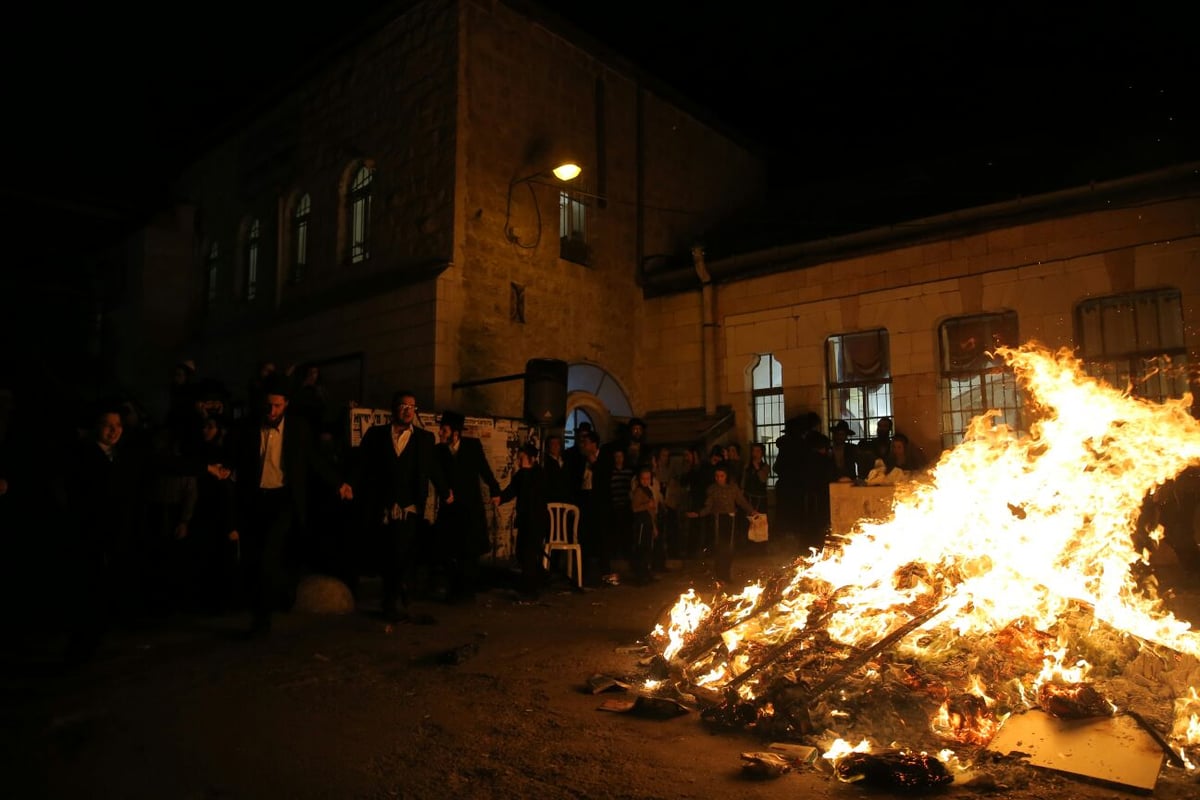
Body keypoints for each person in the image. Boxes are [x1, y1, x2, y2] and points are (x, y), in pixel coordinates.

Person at [230, 374, 344, 636]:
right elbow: (238, 459)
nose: (272, 411)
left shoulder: (298, 428)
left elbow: (313, 459)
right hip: (256, 499)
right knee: (256, 558)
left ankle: (263, 619)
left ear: (286, 405)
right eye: (269, 406)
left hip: (283, 499)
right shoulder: (249, 428)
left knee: (269, 556)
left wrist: (337, 483)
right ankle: (265, 607)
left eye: (277, 406)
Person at [341, 390, 446, 621]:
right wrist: (350, 483)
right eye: (403, 406)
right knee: (386, 553)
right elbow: (362, 464)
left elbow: (432, 468)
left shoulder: (423, 438)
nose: (408, 410)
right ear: (394, 409)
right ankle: (397, 591)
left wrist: (445, 490)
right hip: (381, 507)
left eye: (412, 407)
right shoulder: (376, 435)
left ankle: (391, 601)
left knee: (401, 552)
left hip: (408, 509)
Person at [434, 410, 502, 603]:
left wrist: (495, 491)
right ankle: (453, 589)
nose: (440, 433)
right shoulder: (439, 451)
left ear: (455, 433)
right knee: (448, 550)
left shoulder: (472, 447)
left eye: (444, 430)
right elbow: (435, 474)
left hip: (470, 508)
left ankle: (466, 591)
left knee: (469, 552)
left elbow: (484, 470)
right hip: (450, 508)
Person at [686, 464, 760, 583]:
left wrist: (751, 511)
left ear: (726, 476)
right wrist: (699, 513)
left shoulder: (733, 488)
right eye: (717, 476)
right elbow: (708, 506)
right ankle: (720, 575)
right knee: (720, 547)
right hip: (718, 520)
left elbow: (741, 501)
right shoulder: (712, 489)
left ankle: (726, 574)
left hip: (730, 520)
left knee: (729, 548)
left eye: (721, 476)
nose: (719, 478)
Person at [497, 442, 548, 599]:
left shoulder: (538, 475)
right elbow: (512, 490)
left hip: (536, 521)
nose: (519, 462)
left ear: (531, 459)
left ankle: (530, 589)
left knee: (529, 554)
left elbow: (536, 497)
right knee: (522, 553)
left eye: (522, 459)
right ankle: (538, 580)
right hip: (525, 520)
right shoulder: (521, 475)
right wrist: (499, 498)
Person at [629, 464, 659, 585]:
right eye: (643, 479)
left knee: (647, 549)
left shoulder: (649, 491)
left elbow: (652, 511)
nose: (645, 481)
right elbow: (634, 508)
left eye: (648, 478)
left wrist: (654, 526)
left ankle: (646, 573)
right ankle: (640, 576)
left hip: (648, 523)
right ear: (639, 480)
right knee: (641, 550)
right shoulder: (639, 491)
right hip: (641, 524)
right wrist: (647, 505)